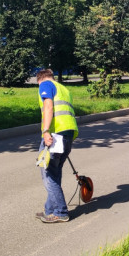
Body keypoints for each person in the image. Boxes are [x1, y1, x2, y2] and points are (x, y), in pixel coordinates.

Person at [35, 69, 79, 223]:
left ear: (39, 79)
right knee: (55, 173)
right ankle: (50, 210)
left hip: (54, 135)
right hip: (68, 134)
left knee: (48, 174)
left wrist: (46, 131)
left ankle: (60, 212)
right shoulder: (64, 89)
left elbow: (48, 106)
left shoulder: (45, 84)